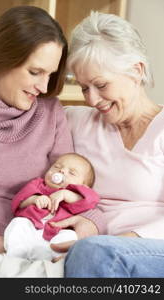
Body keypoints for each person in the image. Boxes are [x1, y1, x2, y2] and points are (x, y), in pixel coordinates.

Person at [50, 11, 164, 278]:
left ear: (137, 71)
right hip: (93, 252)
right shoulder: (74, 121)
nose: (92, 99)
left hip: (151, 250)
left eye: (101, 85)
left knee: (93, 253)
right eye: (83, 87)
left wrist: (116, 242)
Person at [0, 5, 74, 277]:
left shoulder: (50, 112)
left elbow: (75, 181)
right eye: (35, 72)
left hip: (33, 243)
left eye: (51, 74)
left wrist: (87, 225)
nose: (44, 87)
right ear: (2, 57)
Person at [4, 152, 99, 261]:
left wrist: (67, 194)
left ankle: (46, 256)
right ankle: (15, 257)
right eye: (57, 166)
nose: (61, 171)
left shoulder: (77, 195)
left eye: (72, 173)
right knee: (18, 223)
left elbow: (92, 201)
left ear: (83, 186)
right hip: (31, 225)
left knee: (71, 236)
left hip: (57, 231)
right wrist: (35, 199)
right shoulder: (37, 184)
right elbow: (18, 201)